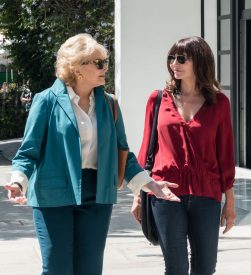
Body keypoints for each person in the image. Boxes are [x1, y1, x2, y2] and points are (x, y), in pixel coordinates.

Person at [4, 33, 179, 275]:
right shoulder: (46, 101)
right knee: (58, 268)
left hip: (97, 194)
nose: (104, 68)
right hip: (53, 195)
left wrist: (150, 185)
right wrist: (18, 182)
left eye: (105, 62)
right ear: (77, 68)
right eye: (98, 63)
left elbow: (123, 154)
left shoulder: (109, 104)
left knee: (90, 269)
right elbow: (28, 151)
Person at [130, 36, 237, 275]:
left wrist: (229, 202)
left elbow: (226, 155)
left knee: (205, 268)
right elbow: (146, 146)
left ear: (199, 61)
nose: (174, 64)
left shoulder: (219, 103)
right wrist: (139, 193)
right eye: (171, 58)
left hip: (207, 195)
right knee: (176, 267)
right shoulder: (157, 99)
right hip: (166, 193)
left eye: (181, 58)